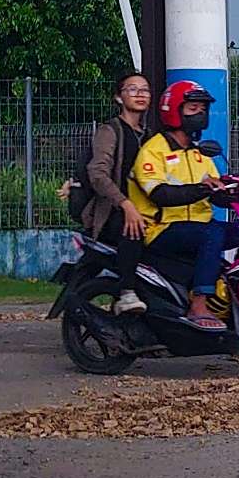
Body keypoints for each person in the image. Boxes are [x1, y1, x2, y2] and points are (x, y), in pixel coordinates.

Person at [129, 80, 228, 331]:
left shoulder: (199, 154)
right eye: (193, 108)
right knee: (213, 233)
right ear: (174, 110)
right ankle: (199, 304)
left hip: (196, 227)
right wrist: (202, 189)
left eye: (202, 109)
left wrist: (236, 191)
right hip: (162, 229)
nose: (200, 114)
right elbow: (160, 194)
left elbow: (214, 188)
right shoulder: (153, 151)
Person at [83, 73, 151, 315]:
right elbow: (98, 173)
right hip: (114, 211)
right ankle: (127, 292)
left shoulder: (150, 135)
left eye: (145, 90)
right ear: (118, 97)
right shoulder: (110, 130)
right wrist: (126, 205)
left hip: (147, 209)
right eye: (132, 89)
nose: (140, 94)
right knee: (133, 229)